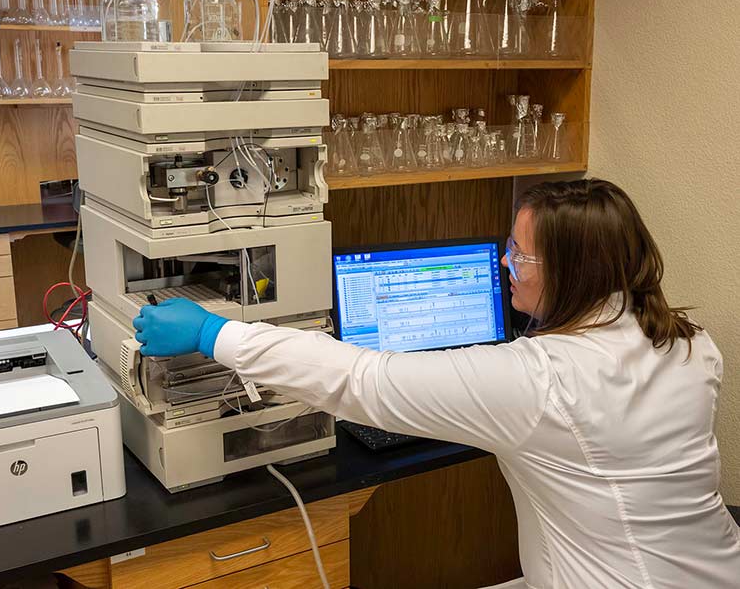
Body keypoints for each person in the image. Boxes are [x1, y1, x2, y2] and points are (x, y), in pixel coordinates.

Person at [133, 178, 740, 588]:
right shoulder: (689, 344)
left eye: (521, 256)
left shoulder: (541, 380)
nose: (506, 264)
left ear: (576, 273)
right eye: (509, 246)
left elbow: (360, 379)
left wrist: (213, 332)